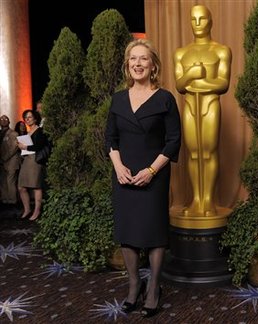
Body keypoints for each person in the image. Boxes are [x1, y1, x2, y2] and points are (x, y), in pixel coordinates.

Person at [105, 38, 181, 318]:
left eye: (143, 59)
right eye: (133, 59)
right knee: (128, 232)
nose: (137, 64)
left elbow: (173, 141)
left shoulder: (164, 99)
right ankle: (135, 284)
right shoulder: (118, 99)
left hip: (154, 174)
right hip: (124, 174)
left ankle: (154, 288)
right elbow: (110, 139)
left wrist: (151, 171)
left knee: (155, 233)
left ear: (153, 65)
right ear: (128, 65)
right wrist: (118, 166)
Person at [174, 4, 232, 216]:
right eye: (194, 20)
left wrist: (197, 83)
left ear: (211, 21)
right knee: (193, 153)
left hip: (210, 105)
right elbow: (180, 85)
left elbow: (223, 84)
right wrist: (192, 75)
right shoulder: (181, 53)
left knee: (208, 152)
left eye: (203, 19)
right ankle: (196, 199)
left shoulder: (221, 50)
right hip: (190, 105)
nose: (198, 24)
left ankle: (208, 200)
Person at [16, 110, 47, 220]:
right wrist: (21, 147)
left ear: (35, 118)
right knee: (21, 187)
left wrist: (26, 147)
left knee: (36, 186)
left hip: (35, 160)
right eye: (26, 117)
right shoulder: (26, 133)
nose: (28, 119)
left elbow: (39, 146)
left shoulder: (40, 131)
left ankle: (37, 211)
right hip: (26, 159)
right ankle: (27, 209)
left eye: (30, 117)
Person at [0, 115, 21, 205]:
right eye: (1, 119)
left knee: (10, 181)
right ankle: (5, 199)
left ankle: (13, 201)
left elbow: (15, 147)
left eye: (6, 119)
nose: (3, 120)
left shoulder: (14, 133)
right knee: (2, 181)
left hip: (11, 160)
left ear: (9, 122)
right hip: (1, 161)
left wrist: (5, 157)